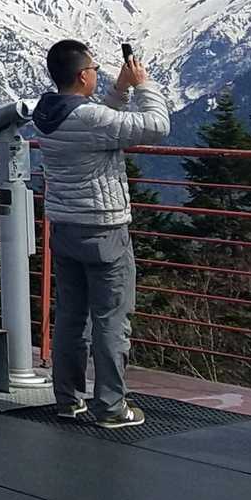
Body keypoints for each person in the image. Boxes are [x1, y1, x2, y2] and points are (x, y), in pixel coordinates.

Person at [35, 40, 169, 430]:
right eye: (94, 69)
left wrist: (119, 90)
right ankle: (111, 406)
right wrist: (142, 85)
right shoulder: (89, 119)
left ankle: (68, 399)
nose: (97, 72)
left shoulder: (47, 113)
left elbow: (97, 122)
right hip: (104, 230)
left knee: (71, 317)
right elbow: (156, 126)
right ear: (82, 76)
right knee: (111, 320)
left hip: (65, 227)